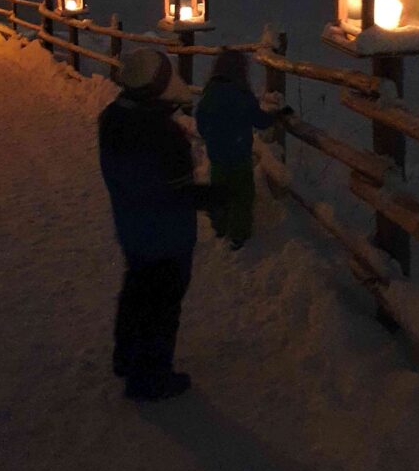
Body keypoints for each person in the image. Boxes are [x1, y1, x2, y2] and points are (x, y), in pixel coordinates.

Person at [98, 47, 197, 401]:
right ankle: (150, 377)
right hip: (167, 237)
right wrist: (214, 195)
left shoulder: (113, 118)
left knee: (138, 292)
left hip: (133, 228)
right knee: (162, 305)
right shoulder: (161, 136)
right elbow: (176, 192)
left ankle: (126, 356)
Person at [195, 49, 291, 250]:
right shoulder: (243, 95)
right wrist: (276, 116)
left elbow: (201, 123)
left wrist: (212, 136)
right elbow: (260, 121)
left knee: (219, 191)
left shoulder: (210, 93)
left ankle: (220, 226)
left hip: (218, 156)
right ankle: (239, 234)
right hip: (240, 157)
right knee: (242, 196)